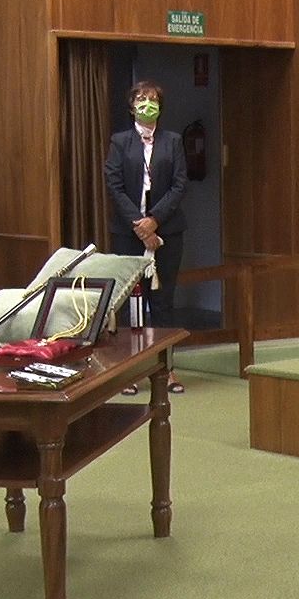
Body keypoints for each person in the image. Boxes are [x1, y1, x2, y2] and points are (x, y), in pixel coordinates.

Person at [105, 80, 188, 392]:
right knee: (130, 302)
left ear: (160, 107)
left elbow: (180, 184)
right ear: (131, 107)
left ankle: (166, 369)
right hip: (128, 233)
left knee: (163, 302)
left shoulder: (173, 141)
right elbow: (113, 184)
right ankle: (130, 371)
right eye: (141, 99)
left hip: (168, 231)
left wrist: (154, 221)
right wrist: (139, 225)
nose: (147, 104)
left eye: (153, 99)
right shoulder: (119, 142)